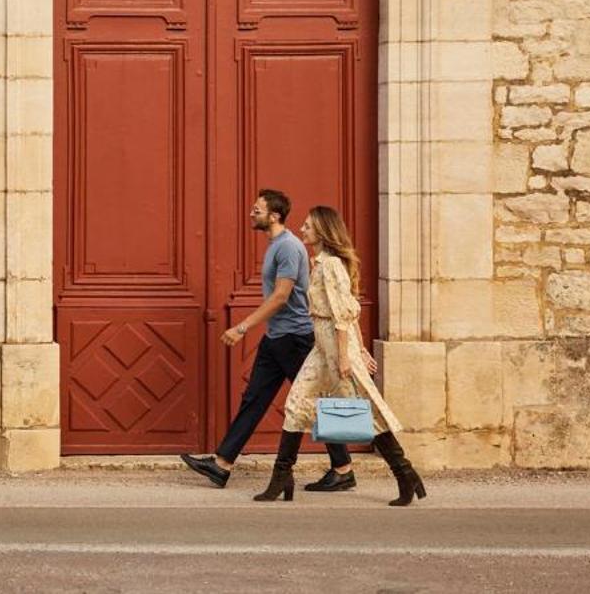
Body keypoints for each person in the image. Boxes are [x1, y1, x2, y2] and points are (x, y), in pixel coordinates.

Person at [179, 189, 355, 494]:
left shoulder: (287, 248)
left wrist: (243, 327)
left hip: (295, 338)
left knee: (312, 401)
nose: (251, 213)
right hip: (277, 338)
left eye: (257, 210)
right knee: (255, 399)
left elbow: (281, 296)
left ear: (273, 216)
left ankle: (343, 469)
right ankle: (222, 465)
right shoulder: (277, 245)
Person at [265, 204, 428, 506]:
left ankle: (405, 474)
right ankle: (281, 477)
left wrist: (347, 356)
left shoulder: (330, 266)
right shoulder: (321, 263)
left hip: (337, 347)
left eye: (308, 227)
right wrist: (359, 347)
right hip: (323, 346)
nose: (302, 230)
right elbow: (350, 311)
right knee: (297, 403)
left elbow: (343, 315)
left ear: (323, 233)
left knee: (368, 413)